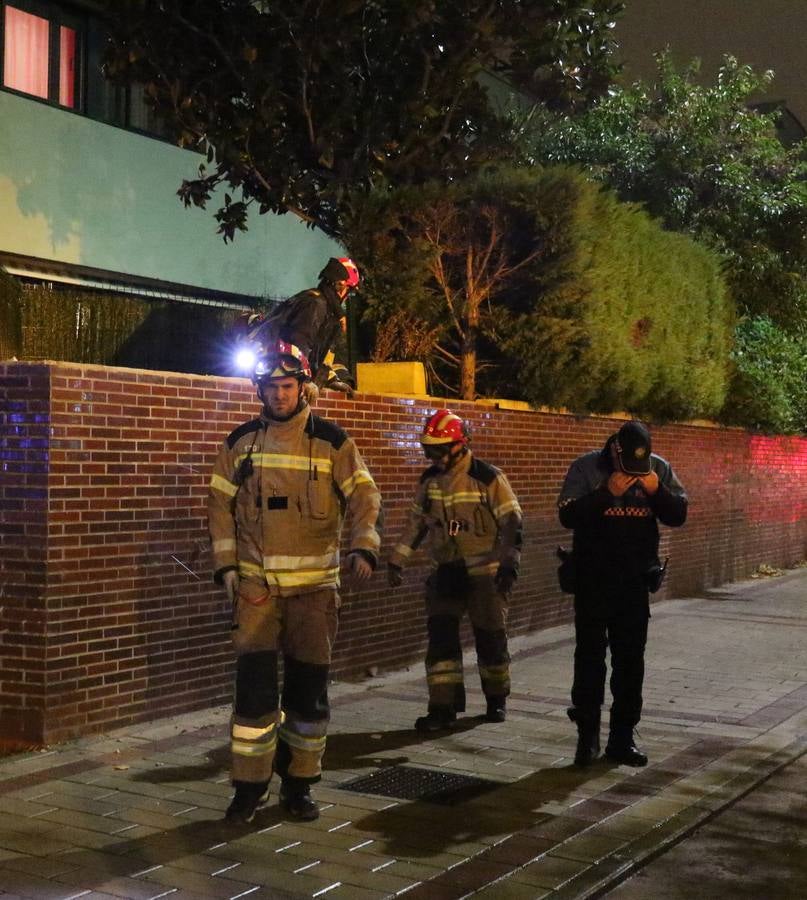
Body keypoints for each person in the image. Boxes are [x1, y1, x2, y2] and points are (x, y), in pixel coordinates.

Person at [208, 339, 382, 824]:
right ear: (259, 390)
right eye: (271, 387)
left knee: (308, 695)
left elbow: (365, 495)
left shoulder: (332, 442)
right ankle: (248, 788)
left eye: (287, 386)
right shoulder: (240, 444)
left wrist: (364, 545)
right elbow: (218, 510)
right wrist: (227, 569)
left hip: (314, 595)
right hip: (256, 592)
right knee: (254, 697)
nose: (279, 395)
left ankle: (300, 785)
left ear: (303, 387)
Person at [558, 419, 687, 768]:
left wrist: (656, 490)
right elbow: (568, 516)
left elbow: (678, 514)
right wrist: (605, 494)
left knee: (630, 664)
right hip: (592, 581)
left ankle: (622, 739)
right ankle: (587, 738)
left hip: (633, 584)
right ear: (614, 451)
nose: (633, 473)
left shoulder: (657, 468)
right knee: (589, 662)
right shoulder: (587, 468)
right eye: (629, 467)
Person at [388, 410, 523, 732]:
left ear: (459, 446)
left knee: (490, 640)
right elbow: (416, 524)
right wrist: (397, 560)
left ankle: (496, 699)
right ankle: (442, 708)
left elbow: (512, 522)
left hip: (484, 575)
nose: (432, 456)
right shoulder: (429, 481)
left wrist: (509, 562)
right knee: (441, 643)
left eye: (438, 449)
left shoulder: (487, 477)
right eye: (428, 450)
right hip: (446, 572)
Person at [242, 257, 360, 393]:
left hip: (276, 368)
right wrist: (306, 380)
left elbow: (319, 356)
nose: (346, 297)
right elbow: (299, 343)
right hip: (266, 368)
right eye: (349, 290)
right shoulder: (315, 304)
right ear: (341, 286)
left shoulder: (328, 312)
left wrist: (329, 379)